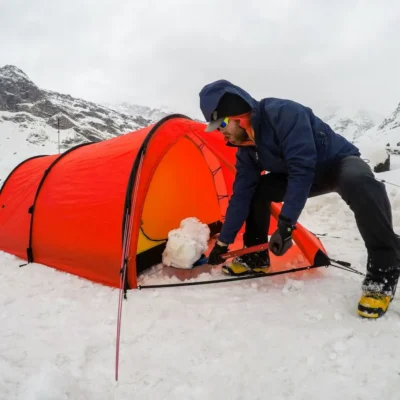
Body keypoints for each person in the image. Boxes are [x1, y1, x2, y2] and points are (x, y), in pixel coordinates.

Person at [199, 79, 400, 319]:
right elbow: (241, 192)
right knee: (254, 191)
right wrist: (224, 242)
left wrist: (286, 226)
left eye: (221, 124)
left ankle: (383, 271)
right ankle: (255, 257)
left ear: (237, 114)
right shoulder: (246, 148)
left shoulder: (283, 114)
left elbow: (301, 167)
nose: (221, 132)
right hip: (299, 174)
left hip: (336, 163)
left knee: (360, 183)